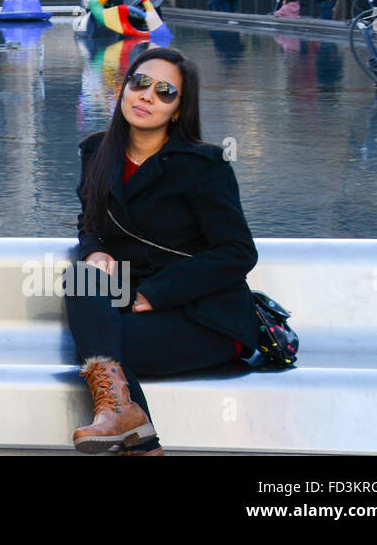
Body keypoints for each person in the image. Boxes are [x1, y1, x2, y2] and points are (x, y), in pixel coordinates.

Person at [64, 46, 259, 456]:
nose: (147, 96)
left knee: (101, 347)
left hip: (203, 313)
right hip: (128, 297)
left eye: (165, 91)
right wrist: (95, 250)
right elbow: (90, 223)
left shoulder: (204, 164)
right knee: (80, 278)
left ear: (178, 108)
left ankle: (131, 428)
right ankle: (132, 427)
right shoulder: (97, 151)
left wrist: (157, 293)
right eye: (140, 83)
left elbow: (238, 252)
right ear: (124, 89)